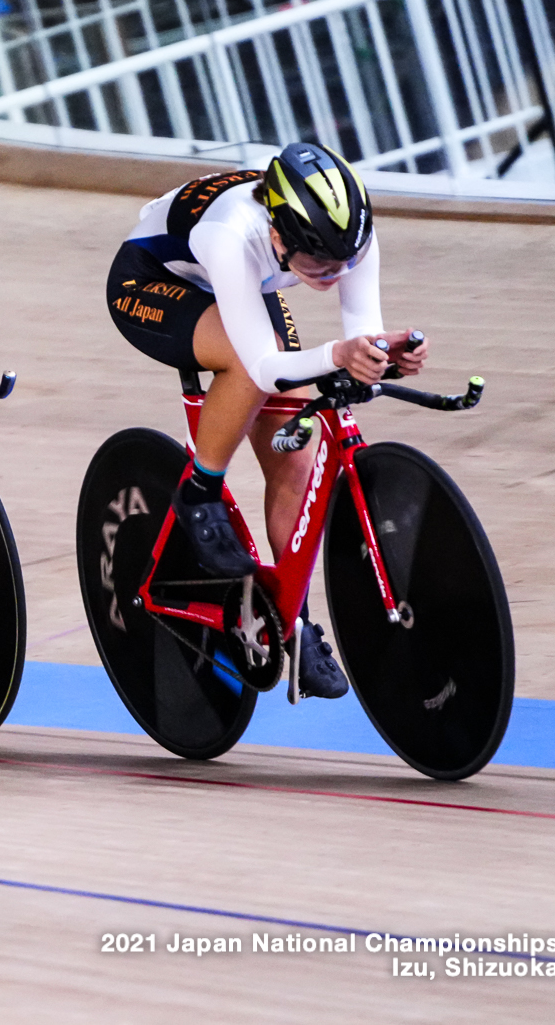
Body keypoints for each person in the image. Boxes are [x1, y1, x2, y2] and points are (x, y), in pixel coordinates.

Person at [106, 141, 428, 699]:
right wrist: (338, 355)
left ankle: (290, 620)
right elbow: (262, 365)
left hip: (245, 285)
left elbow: (361, 339)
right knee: (246, 364)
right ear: (279, 236)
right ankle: (199, 489)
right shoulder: (231, 232)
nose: (335, 274)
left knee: (296, 455)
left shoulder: (346, 235)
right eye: (319, 266)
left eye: (345, 262)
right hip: (152, 281)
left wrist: (383, 355)